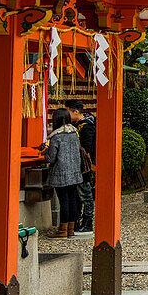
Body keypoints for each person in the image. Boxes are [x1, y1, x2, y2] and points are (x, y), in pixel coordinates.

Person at [44, 108, 82, 238]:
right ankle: (71, 229)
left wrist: (45, 152)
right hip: (74, 172)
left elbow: (52, 157)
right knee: (72, 200)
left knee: (63, 201)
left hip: (60, 172)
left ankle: (62, 230)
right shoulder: (74, 134)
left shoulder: (56, 136)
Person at [66, 99, 95, 233]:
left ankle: (88, 221)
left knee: (85, 193)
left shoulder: (86, 125)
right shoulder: (77, 124)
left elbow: (86, 147)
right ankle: (77, 220)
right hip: (77, 163)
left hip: (83, 163)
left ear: (75, 111)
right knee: (78, 194)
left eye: (68, 112)